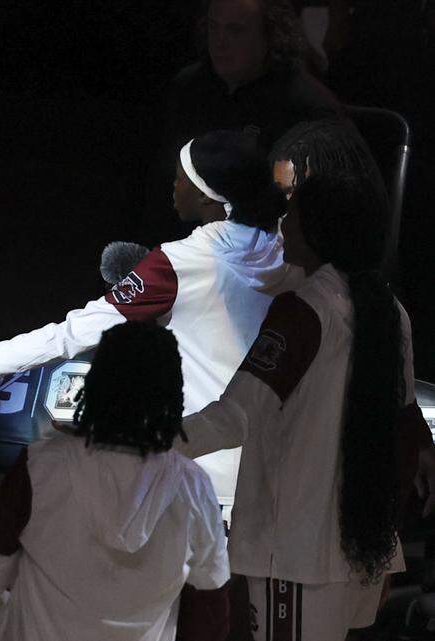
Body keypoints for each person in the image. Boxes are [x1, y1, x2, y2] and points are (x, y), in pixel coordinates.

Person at [0, 129, 291, 517]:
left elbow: (70, 335)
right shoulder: (284, 247)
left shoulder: (178, 264)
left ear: (207, 197)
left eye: (182, 178)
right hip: (276, 470)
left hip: (202, 481)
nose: (174, 185)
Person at [174, 171, 435, 639]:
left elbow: (236, 416)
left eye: (291, 214)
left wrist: (143, 442)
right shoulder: (389, 311)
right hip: (363, 544)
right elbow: (405, 412)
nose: (281, 223)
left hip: (296, 550)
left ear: (320, 229)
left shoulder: (304, 311)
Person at [0, 322, 230, 641]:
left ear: (95, 383)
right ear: (172, 393)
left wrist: (17, 612)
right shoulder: (194, 487)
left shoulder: (41, 465)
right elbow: (209, 621)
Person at [144, 0, 341, 245]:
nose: (219, 42)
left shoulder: (306, 107)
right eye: (214, 28)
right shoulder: (190, 88)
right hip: (185, 249)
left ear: (270, 35)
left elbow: (318, 215)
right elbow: (157, 187)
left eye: (235, 30)